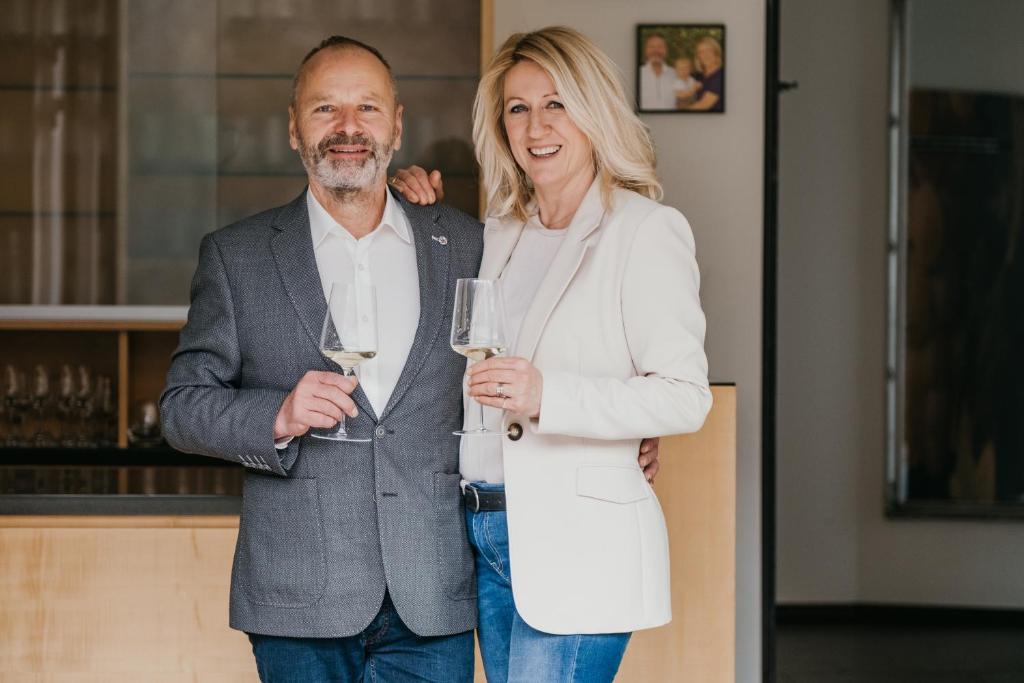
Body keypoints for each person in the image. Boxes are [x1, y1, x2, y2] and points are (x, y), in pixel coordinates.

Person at [160, 34, 661, 683]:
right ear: (292, 128)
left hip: (434, 597)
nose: (347, 128)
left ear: (398, 126)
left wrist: (633, 429)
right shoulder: (238, 256)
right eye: (324, 110)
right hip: (297, 600)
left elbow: (551, 345)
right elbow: (181, 407)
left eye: (367, 108)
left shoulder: (470, 243)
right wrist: (278, 414)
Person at [391, 25, 711, 683]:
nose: (536, 125)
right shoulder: (502, 230)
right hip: (486, 536)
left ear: (594, 111)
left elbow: (685, 394)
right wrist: (420, 216)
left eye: (556, 103)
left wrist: (549, 396)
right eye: (517, 107)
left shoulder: (645, 230)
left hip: (579, 546)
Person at [638, 33, 677, 110]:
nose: (655, 50)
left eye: (660, 47)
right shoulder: (638, 74)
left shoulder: (675, 74)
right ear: (646, 50)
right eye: (651, 47)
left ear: (666, 50)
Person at [686, 35, 725, 112]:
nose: (705, 55)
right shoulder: (698, 76)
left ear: (716, 53)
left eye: (708, 50)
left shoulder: (720, 76)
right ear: (698, 57)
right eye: (701, 52)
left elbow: (703, 105)